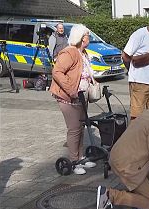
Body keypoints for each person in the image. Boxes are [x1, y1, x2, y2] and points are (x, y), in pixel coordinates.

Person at [50, 24, 97, 175]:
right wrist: (71, 90)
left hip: (81, 97)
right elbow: (57, 72)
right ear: (82, 38)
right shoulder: (70, 52)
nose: (89, 38)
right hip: (68, 98)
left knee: (81, 127)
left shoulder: (83, 53)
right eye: (88, 35)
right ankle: (73, 160)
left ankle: (81, 157)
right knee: (74, 129)